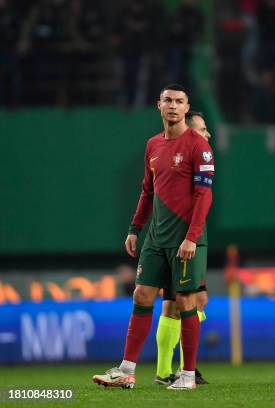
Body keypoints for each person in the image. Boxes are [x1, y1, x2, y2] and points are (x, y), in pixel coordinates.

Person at [92, 84, 214, 390]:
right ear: (158, 106)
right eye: (168, 101)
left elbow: (204, 195)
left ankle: (187, 375)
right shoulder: (153, 145)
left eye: (179, 101)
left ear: (187, 108)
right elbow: (147, 191)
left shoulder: (198, 146)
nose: (173, 106)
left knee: (186, 301)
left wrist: (191, 237)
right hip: (156, 239)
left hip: (185, 239)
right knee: (142, 296)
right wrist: (135, 228)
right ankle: (127, 370)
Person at [154, 110, 212, 386]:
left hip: (173, 232)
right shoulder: (191, 153)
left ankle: (166, 370)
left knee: (171, 303)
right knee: (193, 300)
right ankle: (184, 368)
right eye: (202, 129)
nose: (206, 135)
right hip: (187, 234)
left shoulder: (182, 155)